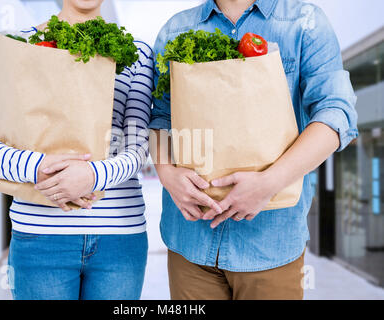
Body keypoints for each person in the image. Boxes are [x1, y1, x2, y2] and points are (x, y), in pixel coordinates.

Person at [150, 0, 358, 300]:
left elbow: (336, 115)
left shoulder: (304, 22)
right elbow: (160, 117)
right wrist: (167, 173)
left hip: (271, 244)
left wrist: (270, 182)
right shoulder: (176, 29)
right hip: (189, 242)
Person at [0, 0, 153, 300]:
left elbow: (137, 147)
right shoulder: (20, 46)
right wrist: (39, 167)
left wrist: (92, 175)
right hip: (40, 239)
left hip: (120, 240)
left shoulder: (137, 52)